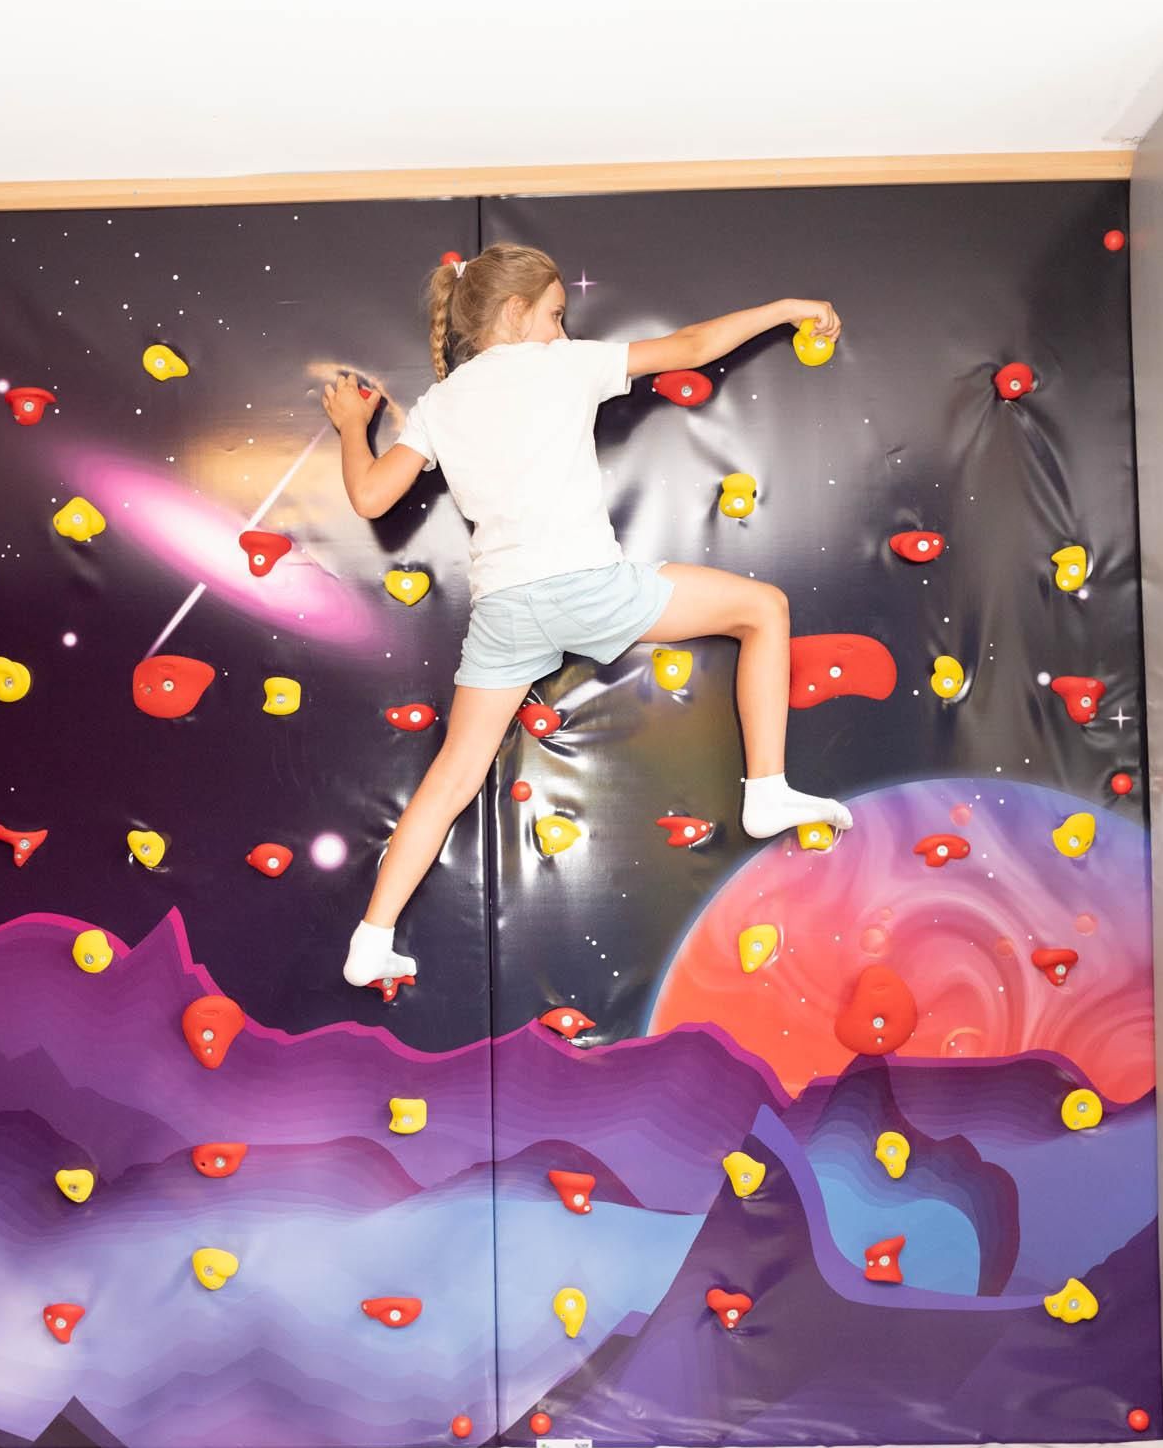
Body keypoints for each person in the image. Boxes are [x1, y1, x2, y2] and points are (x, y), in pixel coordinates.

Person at [323, 242, 852, 990]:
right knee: (763, 609)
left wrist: (353, 426)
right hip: (586, 587)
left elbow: (371, 497)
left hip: (505, 611)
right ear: (515, 313)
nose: (563, 331)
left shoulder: (440, 404)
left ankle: (371, 937)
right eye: (555, 315)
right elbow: (692, 347)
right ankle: (765, 789)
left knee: (453, 774)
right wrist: (788, 308)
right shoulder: (561, 365)